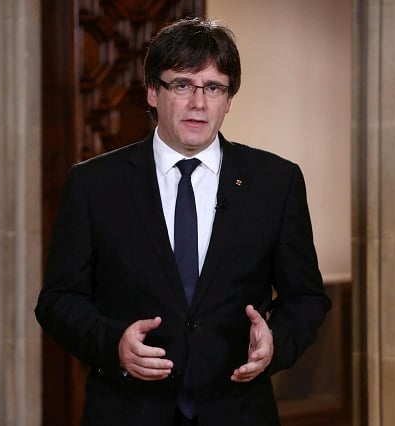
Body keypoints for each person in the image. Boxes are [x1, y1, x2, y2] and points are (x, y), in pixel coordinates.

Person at [35, 17, 331, 426]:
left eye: (213, 87)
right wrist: (113, 344)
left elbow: (306, 298)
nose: (198, 102)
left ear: (228, 100)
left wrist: (275, 345)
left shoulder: (275, 182)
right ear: (153, 92)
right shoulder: (94, 184)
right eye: (182, 85)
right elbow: (58, 302)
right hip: (127, 411)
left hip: (238, 411)